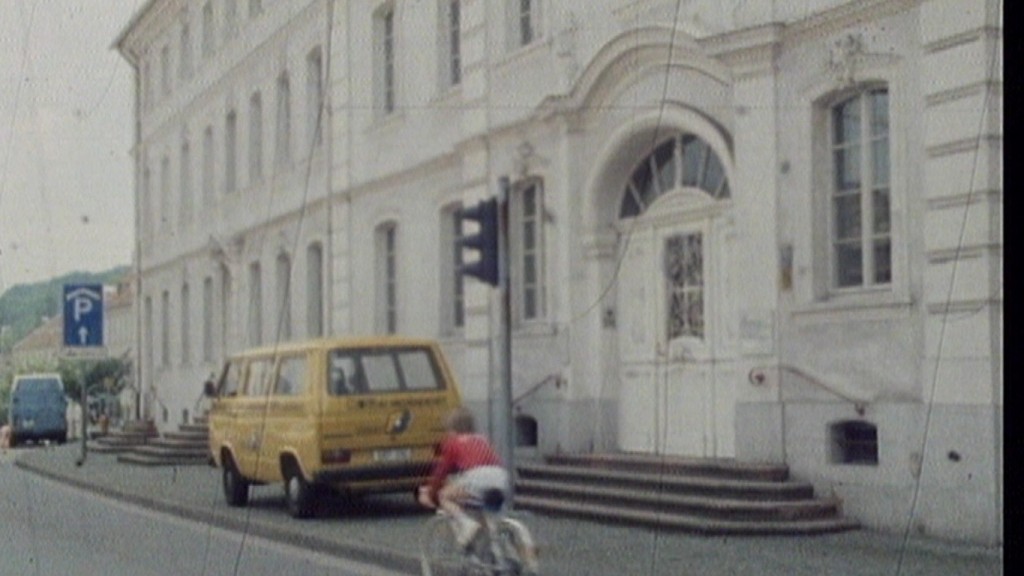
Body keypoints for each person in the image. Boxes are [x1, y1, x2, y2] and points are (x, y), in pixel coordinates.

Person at [418, 407, 509, 549]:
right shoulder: (482, 439)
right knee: (482, 509)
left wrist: (430, 492)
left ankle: (466, 524)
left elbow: (441, 471)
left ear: (452, 429)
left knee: (445, 496)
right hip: (500, 476)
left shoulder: (453, 443)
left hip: (477, 477)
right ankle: (495, 551)